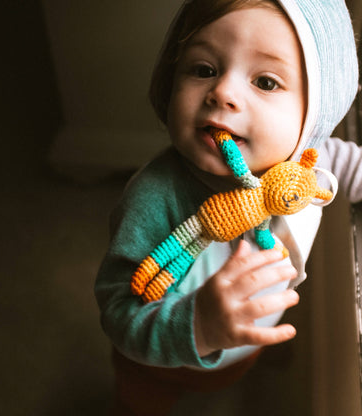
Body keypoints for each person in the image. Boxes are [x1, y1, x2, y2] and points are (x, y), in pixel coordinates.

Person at [95, 0, 361, 414]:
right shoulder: (152, 198)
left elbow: (348, 162)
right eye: (204, 69)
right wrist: (198, 324)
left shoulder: (302, 163)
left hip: (251, 335)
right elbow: (118, 314)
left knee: (261, 346)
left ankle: (256, 356)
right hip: (162, 362)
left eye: (266, 82)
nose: (223, 91)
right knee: (139, 401)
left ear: (314, 117)